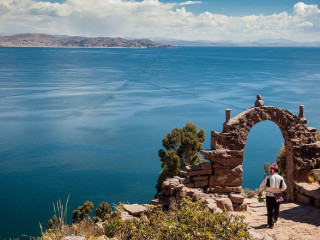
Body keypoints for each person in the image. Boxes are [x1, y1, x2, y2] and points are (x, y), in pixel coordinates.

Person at [258, 162, 287, 229]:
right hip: (278, 195)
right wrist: (280, 191)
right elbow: (284, 187)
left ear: (272, 170)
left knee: (270, 209)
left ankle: (270, 224)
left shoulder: (268, 178)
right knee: (276, 208)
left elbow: (262, 185)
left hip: (269, 195)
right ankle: (275, 219)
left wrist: (260, 192)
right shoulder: (281, 178)